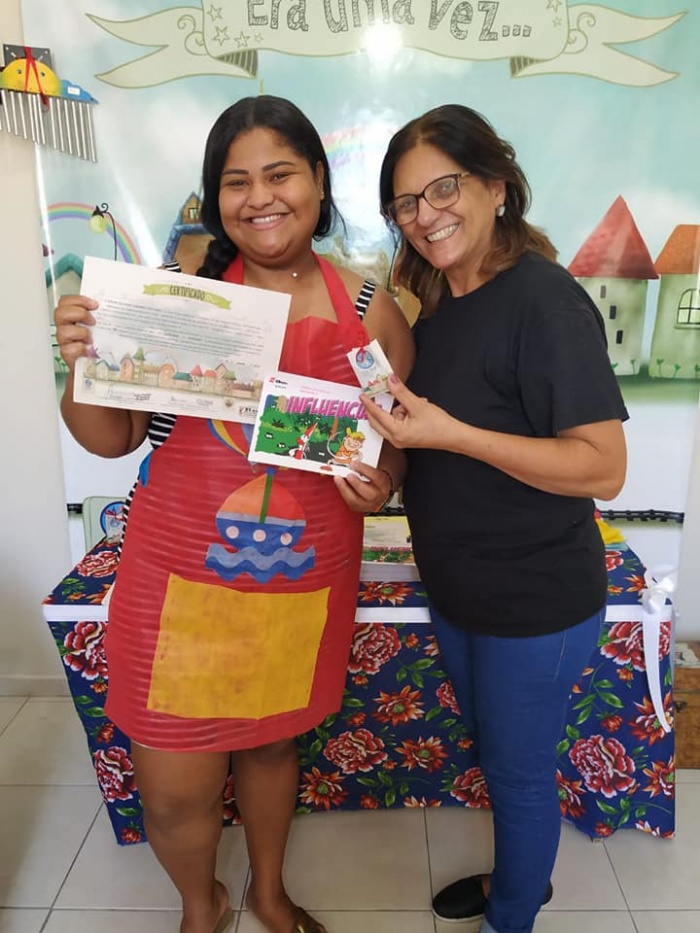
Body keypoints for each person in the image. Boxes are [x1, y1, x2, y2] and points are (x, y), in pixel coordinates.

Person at [55, 95, 414, 933]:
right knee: (173, 792)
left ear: (318, 181)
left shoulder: (370, 309)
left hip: (299, 585)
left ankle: (268, 890)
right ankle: (202, 901)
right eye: (236, 181)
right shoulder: (177, 300)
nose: (260, 197)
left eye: (280, 174)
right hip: (175, 582)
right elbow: (110, 439)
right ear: (216, 197)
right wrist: (80, 361)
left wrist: (383, 479)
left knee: (271, 745)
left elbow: (392, 441)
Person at [363, 104, 628, 933]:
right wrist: (385, 472)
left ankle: (511, 914)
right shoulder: (439, 308)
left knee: (517, 775)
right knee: (497, 752)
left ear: (497, 186)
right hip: (461, 593)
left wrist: (453, 434)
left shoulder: (544, 302)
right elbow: (427, 446)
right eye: (406, 202)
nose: (425, 214)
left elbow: (603, 466)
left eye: (444, 188)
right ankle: (517, 875)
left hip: (535, 600)